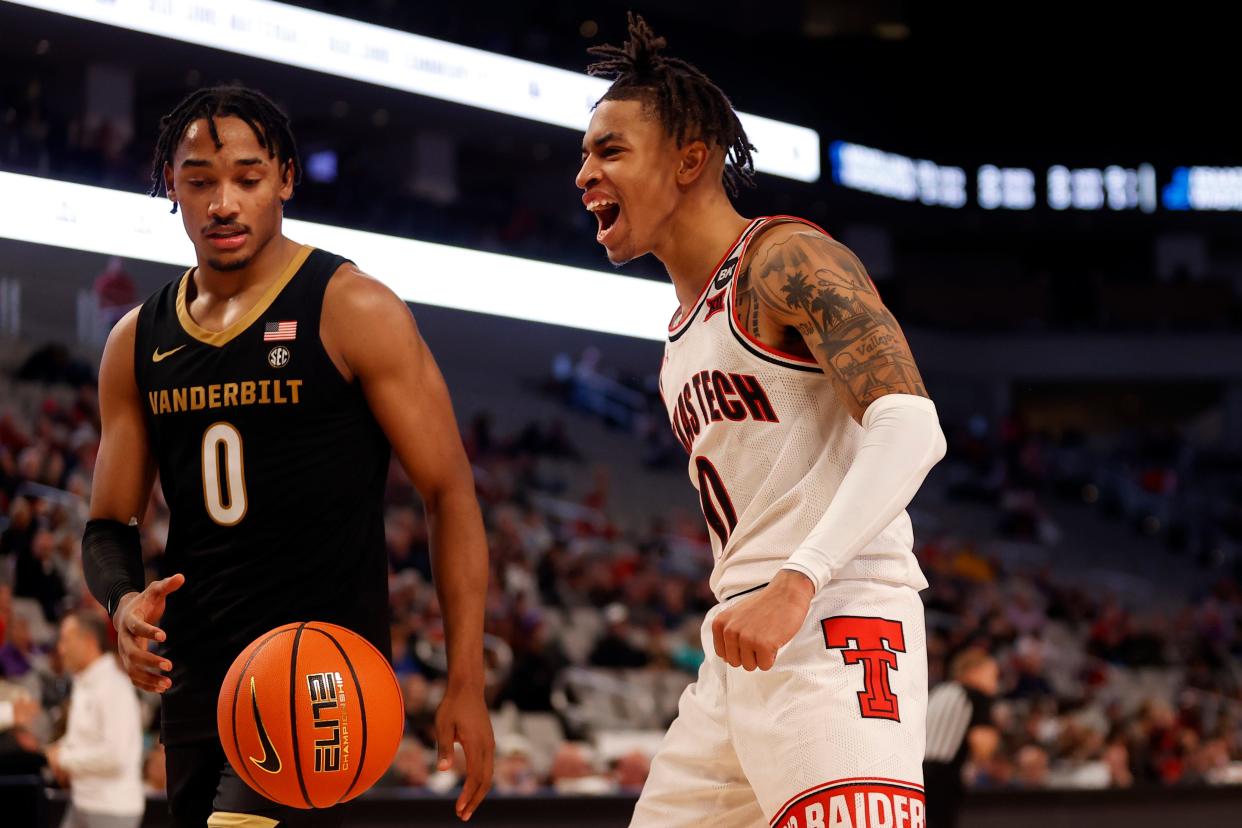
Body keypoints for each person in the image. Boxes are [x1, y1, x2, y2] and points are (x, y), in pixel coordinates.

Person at [82, 86, 493, 827]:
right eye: (199, 179)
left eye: (247, 176)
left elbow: (449, 492)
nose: (223, 202)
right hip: (196, 678)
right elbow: (109, 523)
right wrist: (122, 606)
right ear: (169, 187)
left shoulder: (352, 307)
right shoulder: (135, 341)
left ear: (286, 180)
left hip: (319, 676)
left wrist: (467, 676)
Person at [575, 16, 946, 827]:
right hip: (742, 641)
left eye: (609, 150)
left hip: (840, 622)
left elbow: (913, 428)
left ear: (690, 160)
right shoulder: (679, 333)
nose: (584, 174)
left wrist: (797, 580)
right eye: (584, 153)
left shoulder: (783, 259)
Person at [46, 611, 144, 828]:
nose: (61, 649)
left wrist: (63, 759)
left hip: (112, 810)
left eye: (66, 640)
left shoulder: (114, 687)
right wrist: (56, 750)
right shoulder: (84, 683)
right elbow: (80, 739)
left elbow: (115, 756)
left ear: (89, 641)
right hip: (83, 803)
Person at [923, 648, 1000, 828]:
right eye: (993, 675)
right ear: (974, 671)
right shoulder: (976, 695)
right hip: (944, 777)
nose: (996, 683)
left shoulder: (938, 691)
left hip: (917, 773)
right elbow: (982, 743)